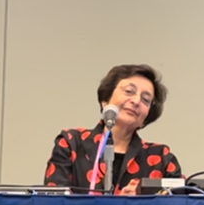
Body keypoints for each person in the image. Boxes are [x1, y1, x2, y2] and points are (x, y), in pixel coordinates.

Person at [44, 64, 182, 194]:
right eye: (129, 91)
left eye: (145, 100)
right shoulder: (71, 144)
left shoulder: (161, 158)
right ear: (105, 100)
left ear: (146, 118)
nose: (136, 101)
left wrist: (139, 202)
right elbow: (54, 204)